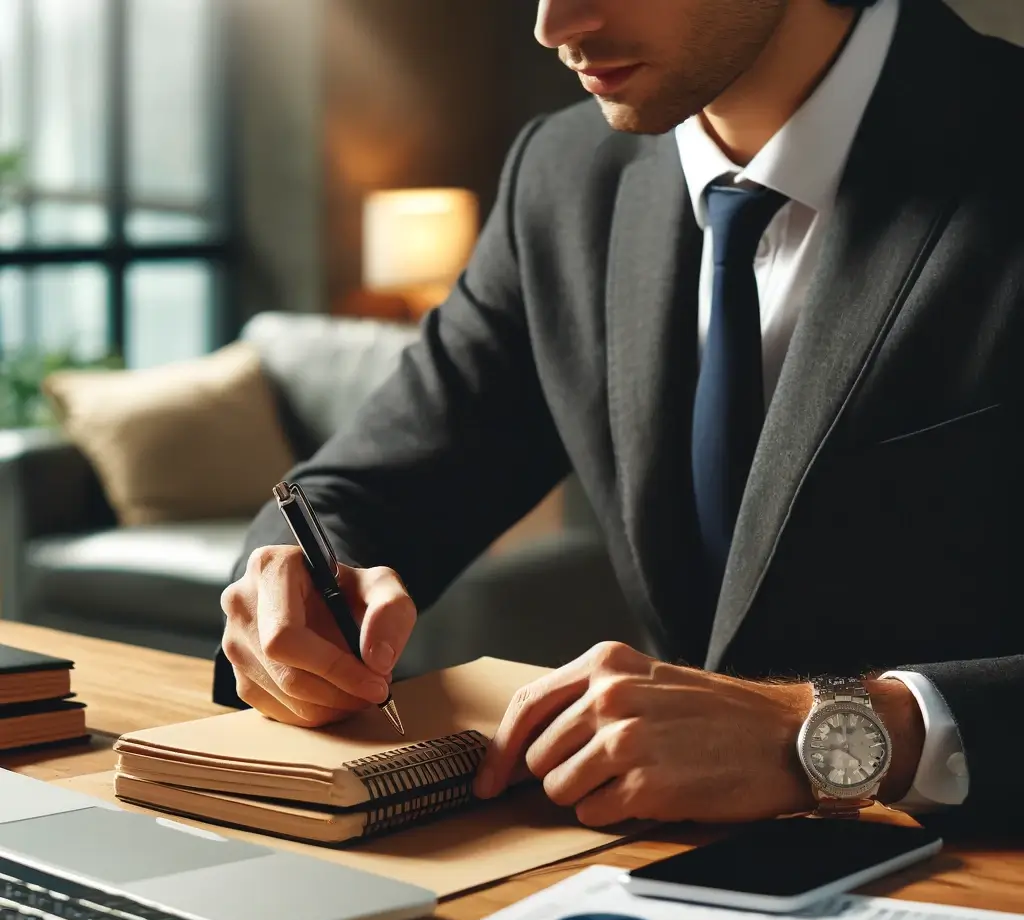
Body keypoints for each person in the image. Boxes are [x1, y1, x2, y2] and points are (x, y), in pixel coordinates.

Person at [218, 0, 1024, 831]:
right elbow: (370, 487)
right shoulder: (564, 175)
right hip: (651, 877)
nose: (552, 23)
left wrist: (836, 731)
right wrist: (288, 594)